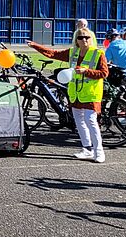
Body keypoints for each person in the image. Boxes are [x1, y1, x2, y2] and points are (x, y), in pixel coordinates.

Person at [28, 29, 109, 163]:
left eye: (87, 37)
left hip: (91, 94)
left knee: (91, 121)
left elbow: (104, 73)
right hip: (76, 94)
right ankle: (87, 149)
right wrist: (35, 45)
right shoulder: (73, 52)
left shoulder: (98, 53)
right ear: (76, 40)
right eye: (81, 37)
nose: (84, 40)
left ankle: (99, 151)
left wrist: (86, 71)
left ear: (91, 38)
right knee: (79, 121)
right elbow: (52, 54)